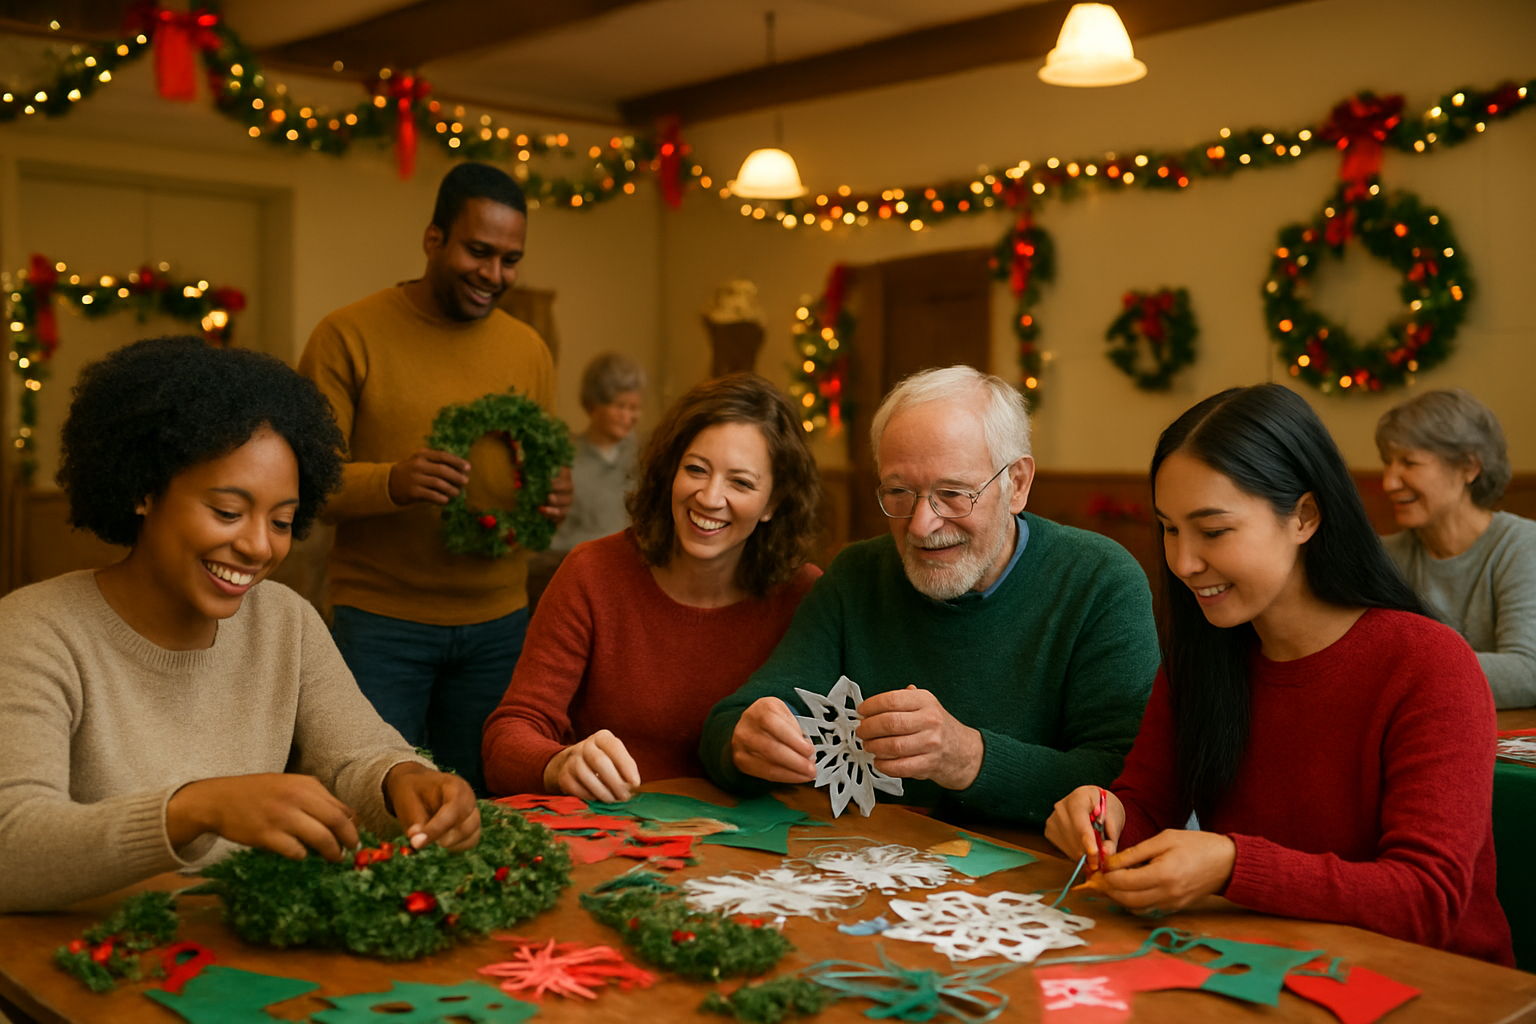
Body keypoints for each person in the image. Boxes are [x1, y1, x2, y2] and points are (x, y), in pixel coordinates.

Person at [0, 337, 479, 914]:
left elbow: (358, 756)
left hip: (239, 946)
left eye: (281, 521)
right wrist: (197, 809)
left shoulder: (284, 621)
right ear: (144, 491)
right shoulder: (34, 632)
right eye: (228, 512)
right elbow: (11, 847)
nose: (257, 546)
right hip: (86, 953)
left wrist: (404, 779)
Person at [1045, 383, 1513, 966]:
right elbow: (1146, 806)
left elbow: (1427, 900)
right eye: (1169, 528)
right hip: (1265, 965)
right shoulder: (1205, 654)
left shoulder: (1429, 664)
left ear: (1305, 517)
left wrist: (1233, 866)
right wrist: (1105, 815)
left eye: (1213, 531)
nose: (1184, 562)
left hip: (1438, 983)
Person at [700, 365, 1159, 826]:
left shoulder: (1099, 581)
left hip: (1040, 864)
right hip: (874, 856)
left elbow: (1128, 780)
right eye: (899, 492)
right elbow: (736, 720)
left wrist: (969, 758)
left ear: (1017, 484)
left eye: (954, 493)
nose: (921, 526)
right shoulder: (856, 574)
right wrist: (744, 742)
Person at [298, 163, 572, 796]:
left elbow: (534, 462)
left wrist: (549, 497)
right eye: (479, 251)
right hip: (379, 624)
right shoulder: (347, 335)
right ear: (433, 240)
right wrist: (393, 482)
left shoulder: (529, 349)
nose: (494, 274)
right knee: (368, 797)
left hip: (500, 624)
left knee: (490, 803)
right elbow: (306, 487)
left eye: (510, 260)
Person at [483, 374, 822, 800]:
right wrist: (556, 764)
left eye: (741, 482)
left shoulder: (805, 595)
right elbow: (507, 738)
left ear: (773, 502)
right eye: (696, 470)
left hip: (756, 834)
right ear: (670, 473)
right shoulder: (592, 572)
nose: (709, 497)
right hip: (606, 826)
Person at [1376, 389, 1536, 708]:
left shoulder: (1521, 546)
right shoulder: (1386, 556)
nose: (1389, 482)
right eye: (1387, 463)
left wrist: (1406, 667)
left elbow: (1527, 674)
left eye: (1409, 462)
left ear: (1468, 467)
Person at [552, 351, 647, 552]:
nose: (629, 417)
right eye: (621, 406)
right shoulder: (566, 459)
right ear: (594, 406)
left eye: (634, 408)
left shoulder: (643, 457)